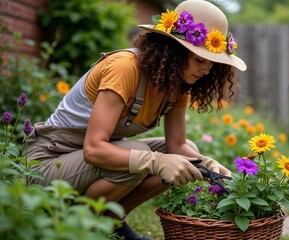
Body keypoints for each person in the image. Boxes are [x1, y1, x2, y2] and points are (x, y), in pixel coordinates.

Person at [26, 0, 247, 239]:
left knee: (187, 154)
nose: (206, 70)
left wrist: (207, 163)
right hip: (48, 163)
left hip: (84, 162)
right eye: (200, 60)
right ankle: (78, 226)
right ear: (175, 50)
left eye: (212, 63)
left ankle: (111, 222)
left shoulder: (177, 85)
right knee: (138, 156)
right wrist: (155, 161)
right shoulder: (125, 68)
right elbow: (93, 149)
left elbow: (177, 145)